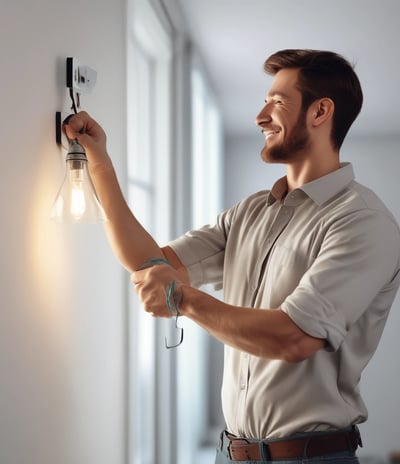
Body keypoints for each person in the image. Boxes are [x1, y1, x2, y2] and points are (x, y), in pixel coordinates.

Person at [65, 49, 400, 464]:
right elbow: (152, 265)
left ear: (321, 112)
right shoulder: (250, 212)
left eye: (277, 102)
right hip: (232, 454)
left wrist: (183, 299)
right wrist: (99, 163)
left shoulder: (362, 222)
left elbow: (294, 337)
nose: (261, 117)